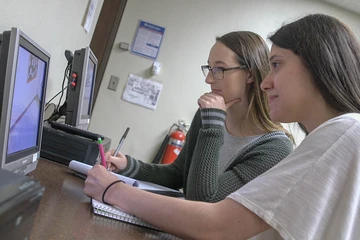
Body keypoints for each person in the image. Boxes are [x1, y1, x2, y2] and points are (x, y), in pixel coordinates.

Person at [85, 13, 360, 239]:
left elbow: (212, 215)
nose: (267, 83)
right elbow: (180, 176)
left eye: (276, 65)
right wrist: (128, 167)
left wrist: (114, 190)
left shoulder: (337, 134)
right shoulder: (332, 137)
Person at [104, 31, 294, 203]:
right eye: (209, 68)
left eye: (219, 69)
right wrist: (128, 165)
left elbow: (203, 200)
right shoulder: (208, 117)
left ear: (250, 74)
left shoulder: (275, 149)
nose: (209, 79)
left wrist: (213, 126)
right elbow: (178, 174)